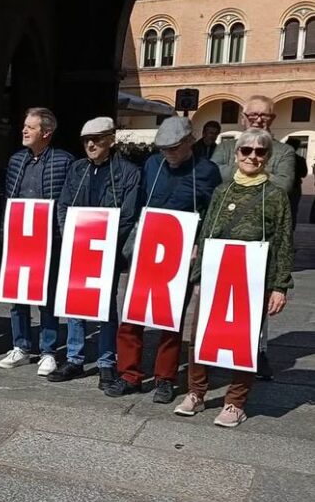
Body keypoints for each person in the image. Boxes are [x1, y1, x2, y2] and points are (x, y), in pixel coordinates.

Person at [175, 128, 293, 427]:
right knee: (200, 334)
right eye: (246, 150)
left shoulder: (275, 196)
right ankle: (196, 392)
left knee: (244, 340)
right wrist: (198, 275)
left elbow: (283, 242)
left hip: (253, 276)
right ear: (237, 153)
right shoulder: (222, 191)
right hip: (216, 273)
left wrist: (280, 286)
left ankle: (235, 402)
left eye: (260, 151)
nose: (252, 156)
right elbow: (206, 232)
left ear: (267, 157)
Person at [106, 117, 220, 403]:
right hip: (149, 244)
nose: (168, 153)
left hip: (181, 248)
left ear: (189, 142)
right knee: (132, 313)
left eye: (174, 148)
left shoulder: (207, 171)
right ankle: (129, 375)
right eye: (163, 148)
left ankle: (165, 379)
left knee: (170, 317)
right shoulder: (153, 164)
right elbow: (140, 201)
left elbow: (212, 212)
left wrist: (199, 244)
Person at [48, 117, 140, 389]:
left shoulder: (128, 172)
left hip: (108, 248)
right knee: (75, 301)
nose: (90, 144)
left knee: (105, 305)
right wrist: (71, 236)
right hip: (79, 245)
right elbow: (63, 205)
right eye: (86, 140)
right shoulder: (78, 169)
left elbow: (128, 214)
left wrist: (105, 241)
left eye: (96, 139)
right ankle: (74, 359)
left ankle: (106, 362)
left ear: (111, 139)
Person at [210, 95, 295, 379]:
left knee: (257, 304)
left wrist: (243, 168)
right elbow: (214, 175)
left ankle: (257, 352)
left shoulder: (284, 151)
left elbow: (284, 183)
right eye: (253, 114)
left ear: (273, 118)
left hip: (262, 244)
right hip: (224, 243)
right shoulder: (225, 146)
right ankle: (217, 347)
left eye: (265, 115)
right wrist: (256, 169)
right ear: (243, 116)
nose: (258, 119)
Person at [0, 107, 74, 376]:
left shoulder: (64, 161)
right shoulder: (17, 160)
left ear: (46, 132)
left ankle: (48, 351)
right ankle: (20, 346)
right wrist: (5, 231)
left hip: (49, 238)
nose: (24, 130)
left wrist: (62, 234)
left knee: (47, 295)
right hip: (19, 236)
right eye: (25, 126)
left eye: (30, 127)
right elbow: (8, 198)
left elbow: (67, 200)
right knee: (17, 294)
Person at [285, 137, 308, 230]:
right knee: (293, 209)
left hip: (282, 186)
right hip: (295, 187)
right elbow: (304, 174)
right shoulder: (300, 159)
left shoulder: (281, 158)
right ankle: (291, 229)